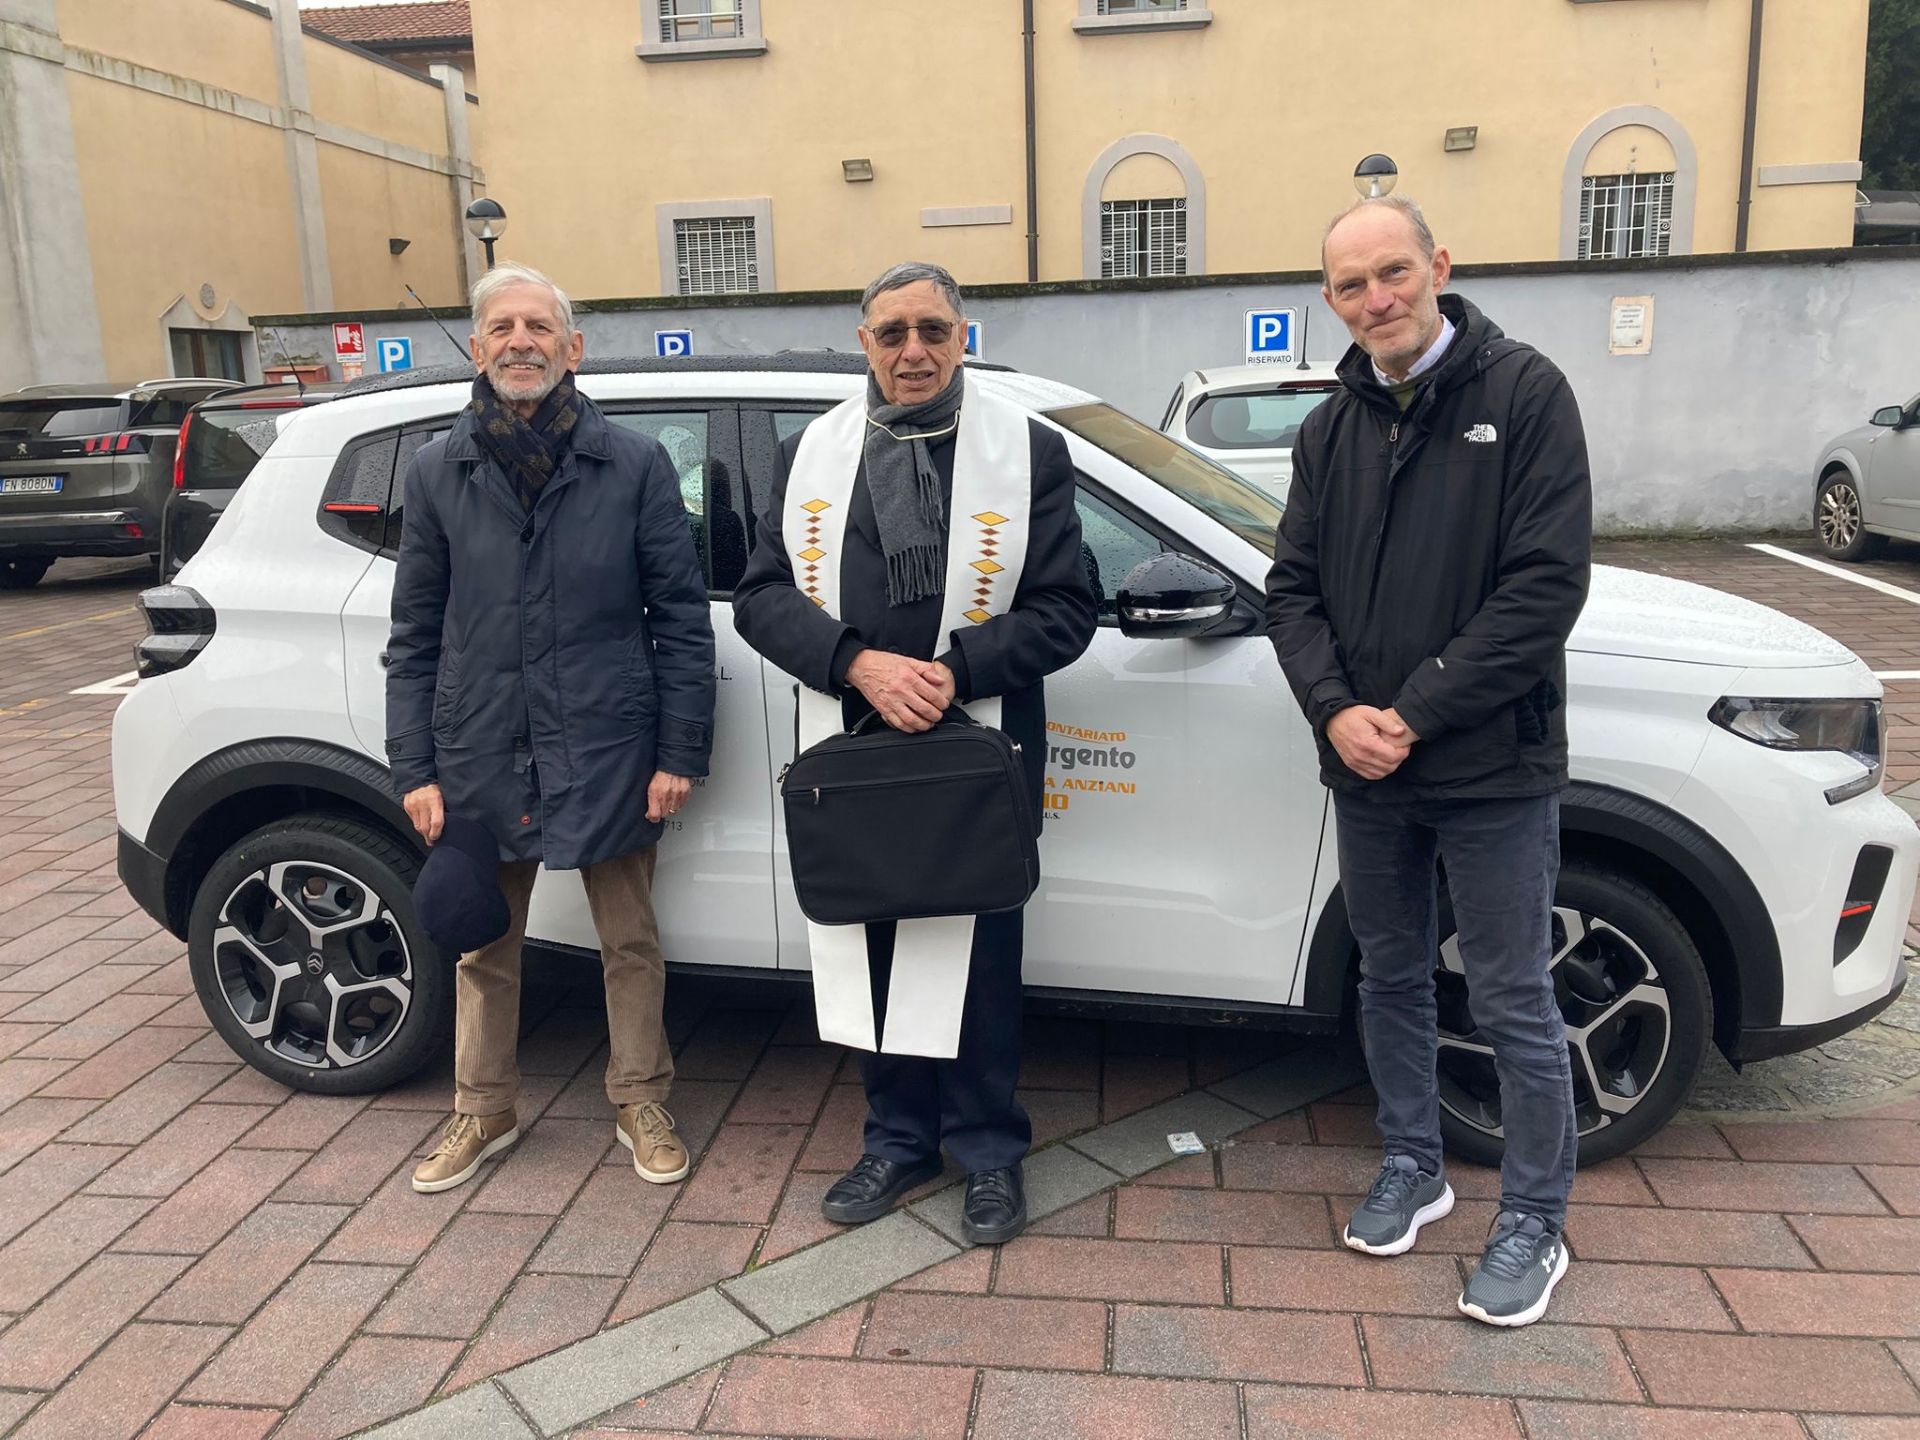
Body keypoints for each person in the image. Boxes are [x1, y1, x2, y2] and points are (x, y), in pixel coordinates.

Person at [1265, 196, 1592, 1327]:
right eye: (1351, 285)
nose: (1377, 299)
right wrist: (1334, 712)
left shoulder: (1528, 394)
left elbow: (1544, 588)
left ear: (1438, 267)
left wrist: (1409, 712)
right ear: (1331, 301)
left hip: (1493, 767)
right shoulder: (1329, 429)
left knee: (1511, 994)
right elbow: (1291, 594)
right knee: (1390, 975)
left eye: (1393, 272)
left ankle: (1536, 1218)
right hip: (1368, 770)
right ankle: (1414, 1162)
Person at [733, 261, 1096, 1245]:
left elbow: (1068, 607)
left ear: (962, 335)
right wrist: (856, 663)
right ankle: (897, 1140)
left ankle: (988, 1149)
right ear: (865, 343)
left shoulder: (1027, 451)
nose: (914, 351)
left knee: (981, 950)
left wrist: (957, 667)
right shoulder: (810, 453)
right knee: (870, 939)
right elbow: (761, 596)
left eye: (933, 329)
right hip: (853, 743)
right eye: (892, 332)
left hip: (974, 740)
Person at [387, 261, 716, 1194]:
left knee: (630, 939)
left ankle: (640, 1098)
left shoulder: (634, 465)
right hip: (479, 746)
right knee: (482, 942)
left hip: (610, 743)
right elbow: (414, 633)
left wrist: (678, 751)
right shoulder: (438, 469)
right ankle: (483, 1108)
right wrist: (414, 766)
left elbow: (680, 618)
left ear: (573, 349)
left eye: (539, 327)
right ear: (478, 348)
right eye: (503, 328)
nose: (520, 342)